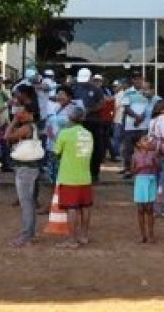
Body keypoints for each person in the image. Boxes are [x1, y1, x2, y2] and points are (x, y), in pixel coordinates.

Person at [5, 89, 43, 247]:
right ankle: (30, 233)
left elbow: (7, 136)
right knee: (29, 202)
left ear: (31, 114)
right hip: (31, 167)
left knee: (26, 203)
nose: (21, 114)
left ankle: (27, 235)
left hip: (25, 168)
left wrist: (14, 121)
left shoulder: (27, 128)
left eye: (24, 112)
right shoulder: (32, 127)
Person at [54, 105, 94, 248]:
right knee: (85, 207)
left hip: (69, 177)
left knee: (72, 208)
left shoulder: (65, 133)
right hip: (85, 176)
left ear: (70, 117)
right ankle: (84, 236)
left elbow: (56, 152)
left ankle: (72, 239)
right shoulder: (88, 134)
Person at [72, 68, 105, 183]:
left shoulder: (96, 90)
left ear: (90, 79)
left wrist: (89, 110)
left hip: (93, 122)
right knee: (79, 147)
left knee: (95, 148)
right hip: (79, 122)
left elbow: (102, 104)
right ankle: (79, 171)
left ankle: (94, 173)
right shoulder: (74, 88)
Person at [121, 75, 150, 180]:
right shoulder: (127, 92)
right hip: (130, 126)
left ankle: (140, 169)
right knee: (128, 150)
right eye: (136, 79)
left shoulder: (146, 93)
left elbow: (149, 107)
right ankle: (128, 169)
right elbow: (126, 108)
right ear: (133, 80)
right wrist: (137, 117)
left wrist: (141, 118)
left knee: (142, 149)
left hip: (143, 126)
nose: (138, 81)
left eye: (140, 79)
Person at [46, 86, 76, 185]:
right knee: (53, 172)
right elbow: (49, 123)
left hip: (66, 145)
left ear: (69, 97)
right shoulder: (55, 107)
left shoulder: (74, 109)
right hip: (52, 144)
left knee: (64, 172)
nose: (59, 97)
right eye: (58, 94)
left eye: (62, 94)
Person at [149, 100, 164, 217]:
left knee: (156, 181)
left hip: (154, 153)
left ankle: (155, 208)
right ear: (162, 109)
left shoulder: (152, 121)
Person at [132, 135, 159, 243]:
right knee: (140, 209)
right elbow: (132, 171)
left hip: (150, 180)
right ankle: (143, 235)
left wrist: (154, 163)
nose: (148, 141)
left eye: (148, 140)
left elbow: (159, 168)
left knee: (149, 208)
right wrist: (139, 168)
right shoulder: (135, 156)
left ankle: (151, 234)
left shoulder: (153, 154)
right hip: (140, 181)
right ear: (138, 144)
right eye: (145, 140)